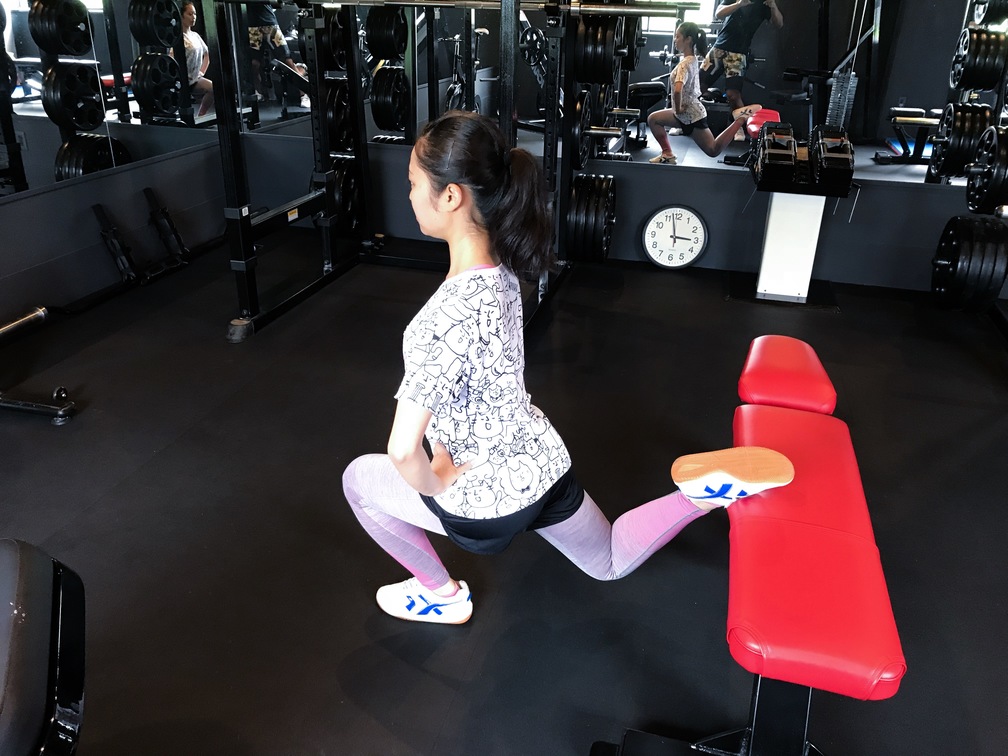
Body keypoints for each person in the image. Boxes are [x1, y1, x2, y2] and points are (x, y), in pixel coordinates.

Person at [341, 111, 795, 625]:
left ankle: (440, 594)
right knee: (607, 560)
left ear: (450, 197)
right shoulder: (503, 274)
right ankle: (696, 497)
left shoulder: (438, 319)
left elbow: (403, 450)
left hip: (485, 504)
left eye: (413, 183)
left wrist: (432, 484)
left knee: (358, 482)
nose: (409, 196)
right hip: (542, 463)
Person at [647, 22, 761, 165]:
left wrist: (678, 108)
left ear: (688, 39)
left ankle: (740, 119)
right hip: (684, 114)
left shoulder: (684, 64)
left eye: (677, 36)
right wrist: (679, 110)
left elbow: (677, 90)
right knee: (653, 119)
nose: (675, 40)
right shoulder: (693, 59)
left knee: (713, 150)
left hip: (691, 115)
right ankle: (667, 153)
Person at [701, 0, 784, 112]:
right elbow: (718, 14)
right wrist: (738, 4)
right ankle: (697, 118)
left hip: (737, 54)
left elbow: (779, 24)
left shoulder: (764, 3)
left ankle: (741, 123)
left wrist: (773, 6)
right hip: (719, 48)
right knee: (698, 86)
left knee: (733, 95)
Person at [246, 2, 300, 100]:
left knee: (287, 61)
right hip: (254, 27)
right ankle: (258, 93)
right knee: (255, 64)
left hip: (270, 25)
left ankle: (304, 94)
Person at [179, 2, 214, 117]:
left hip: (194, 80)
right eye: (190, 14)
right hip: (181, 82)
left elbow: (207, 55)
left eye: (194, 14)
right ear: (181, 16)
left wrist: (201, 72)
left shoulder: (195, 35)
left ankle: (201, 117)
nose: (193, 17)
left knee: (213, 88)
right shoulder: (178, 38)